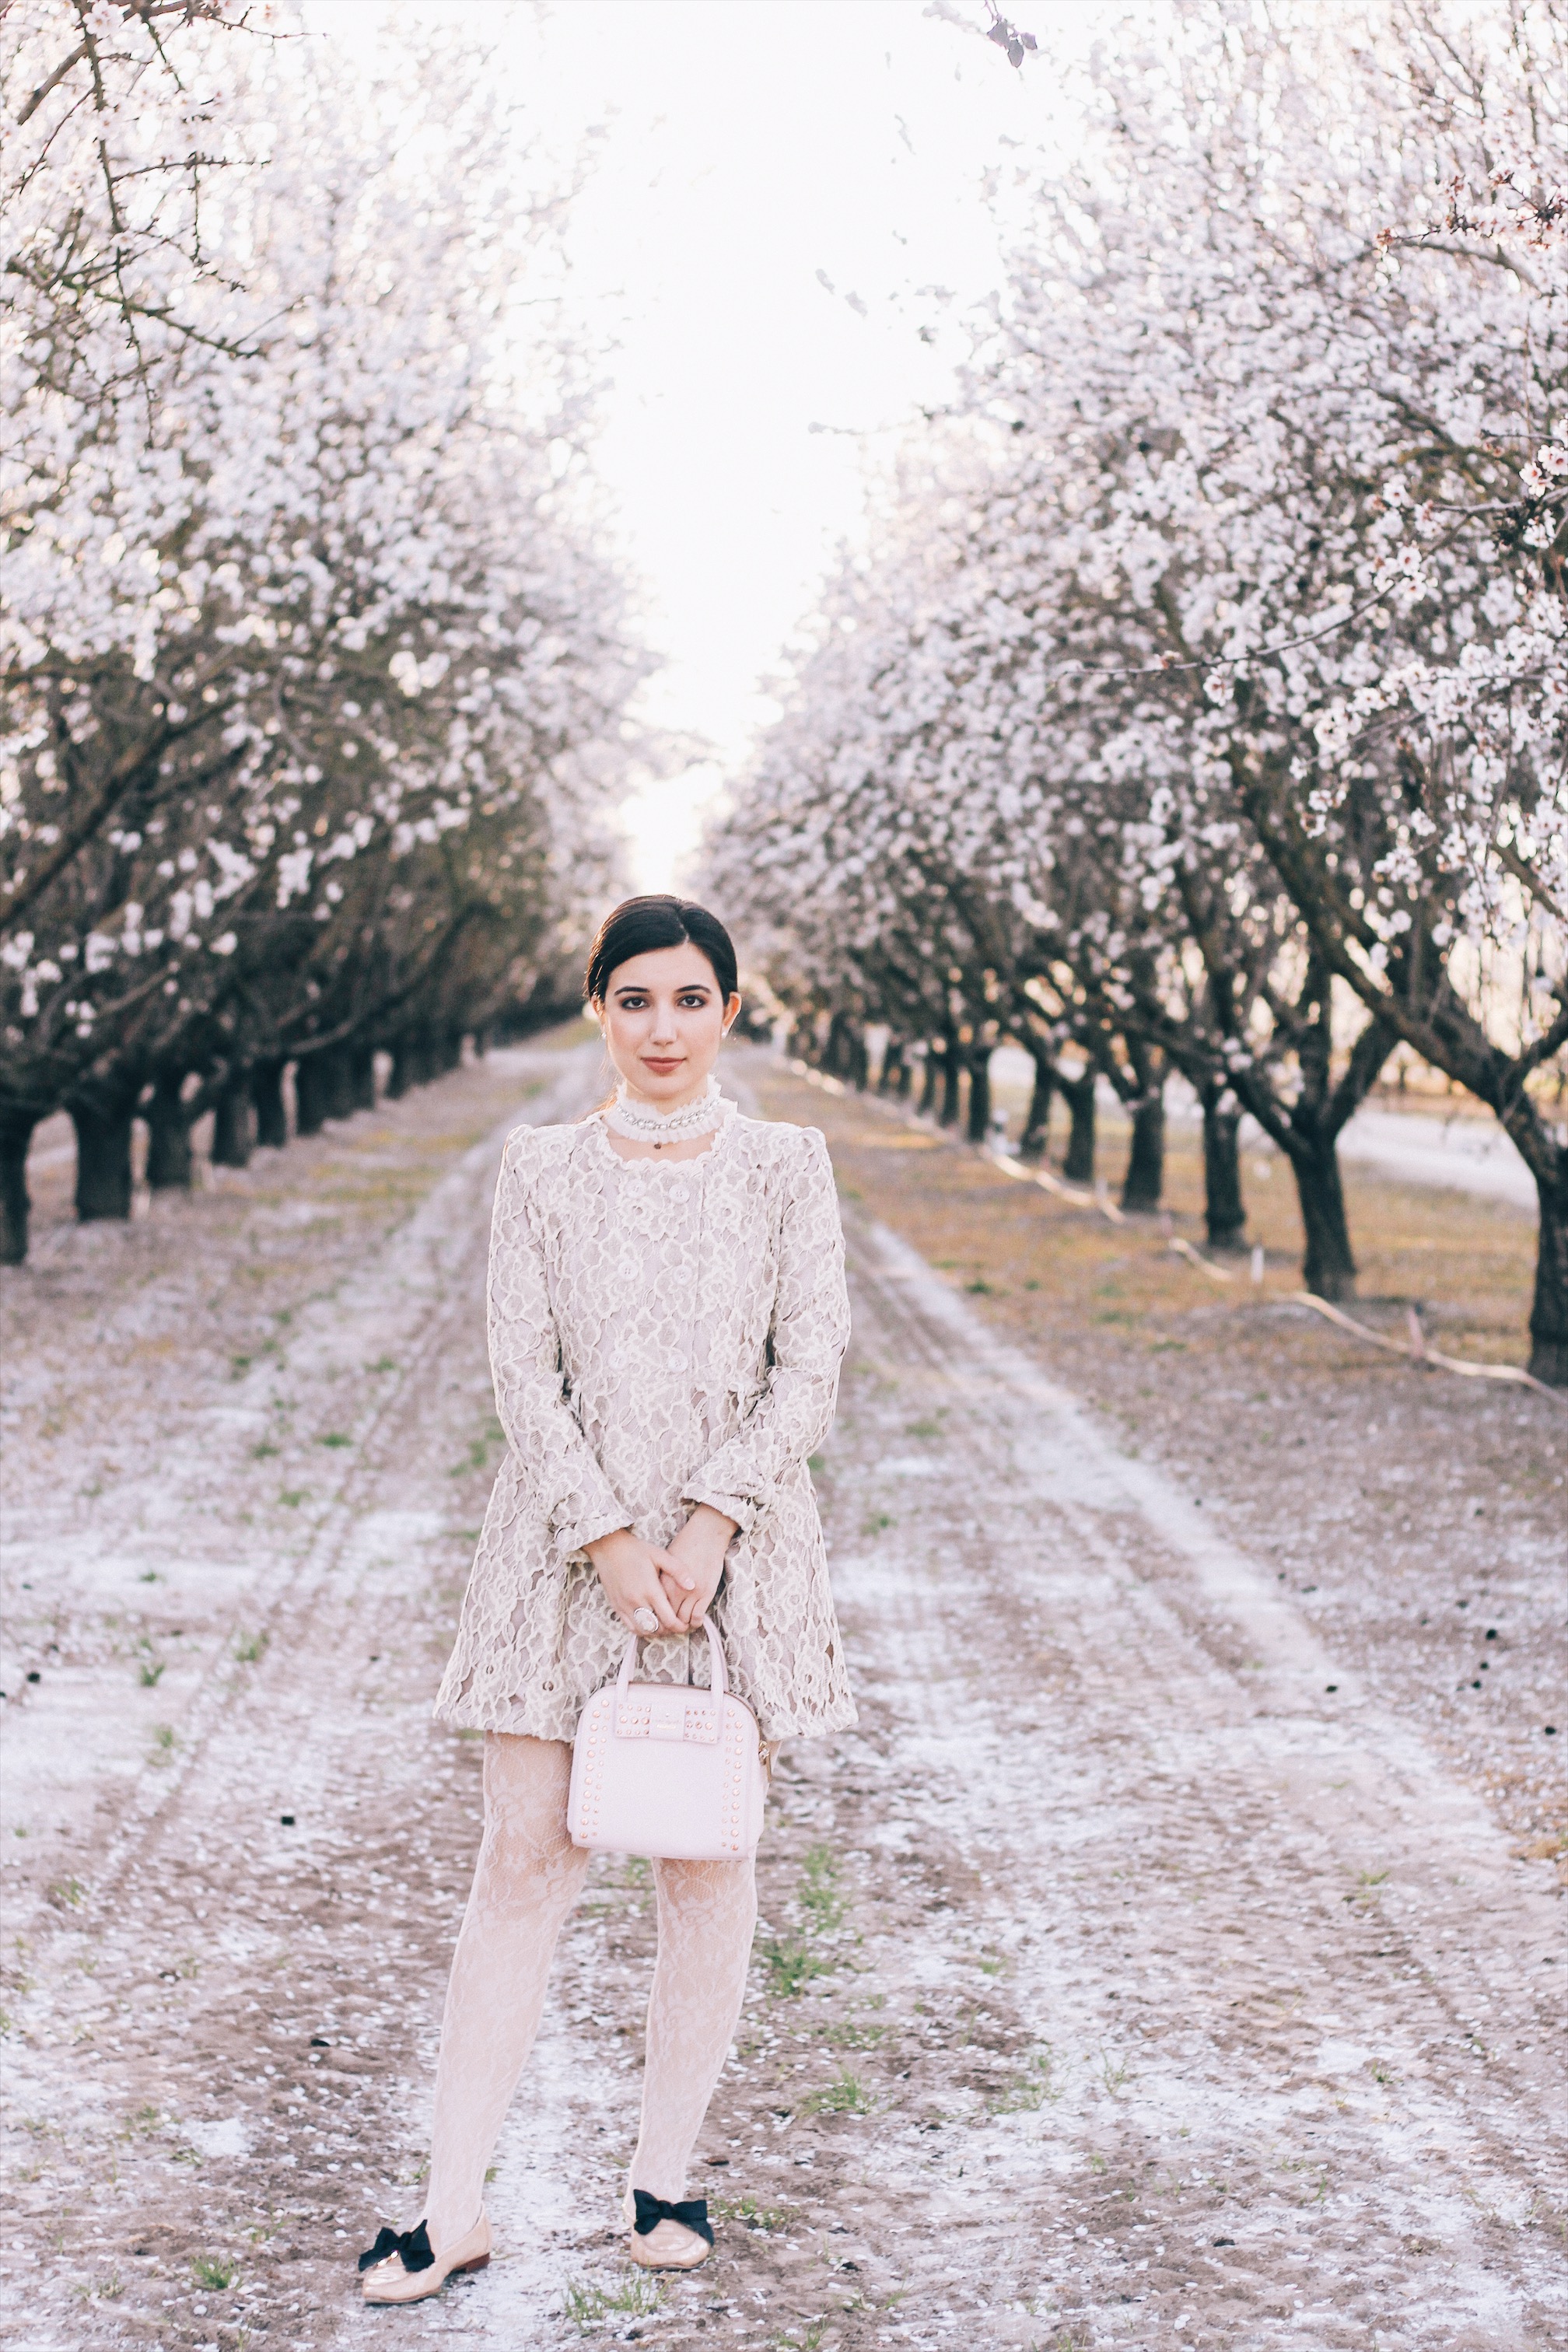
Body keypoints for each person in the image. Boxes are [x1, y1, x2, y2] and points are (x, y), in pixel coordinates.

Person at [358, 894, 856, 2305]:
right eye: (634, 999)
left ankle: (668, 2181)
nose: (662, 1028)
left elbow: (807, 1370)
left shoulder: (785, 1165)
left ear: (730, 1013)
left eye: (690, 1000)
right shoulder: (540, 1170)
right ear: (596, 1007)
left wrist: (700, 1530)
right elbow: (523, 1376)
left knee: (705, 1861)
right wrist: (612, 1543)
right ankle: (452, 2206)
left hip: (733, 1561)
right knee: (522, 1865)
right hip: (559, 1553)